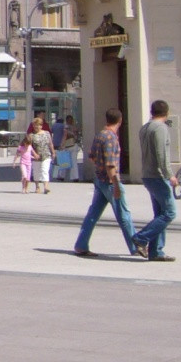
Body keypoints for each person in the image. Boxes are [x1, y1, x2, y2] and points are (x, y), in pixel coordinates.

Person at [73, 109, 136, 257]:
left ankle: (81, 244)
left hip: (99, 180)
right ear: (120, 121)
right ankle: (135, 246)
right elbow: (110, 164)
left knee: (93, 214)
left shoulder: (100, 135)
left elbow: (92, 156)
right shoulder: (111, 138)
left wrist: (100, 168)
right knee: (124, 215)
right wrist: (116, 183)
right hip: (109, 181)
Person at [131, 100, 178, 261]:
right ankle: (141, 238)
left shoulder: (145, 127)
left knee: (160, 213)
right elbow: (161, 154)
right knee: (170, 212)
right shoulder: (160, 128)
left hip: (147, 174)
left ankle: (156, 251)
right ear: (167, 112)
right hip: (158, 175)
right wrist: (169, 174)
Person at [27, 117, 54, 193]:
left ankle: (46, 187)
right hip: (36, 156)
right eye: (35, 125)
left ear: (41, 126)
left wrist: (53, 152)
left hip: (46, 155)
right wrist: (34, 154)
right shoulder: (31, 135)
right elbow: (29, 146)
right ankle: (37, 187)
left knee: (45, 170)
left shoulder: (47, 133)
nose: (37, 127)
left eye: (39, 125)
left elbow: (50, 144)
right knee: (36, 171)